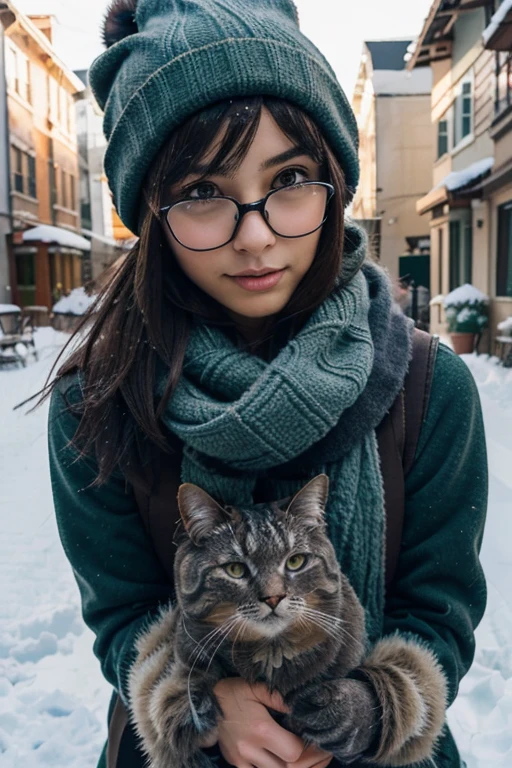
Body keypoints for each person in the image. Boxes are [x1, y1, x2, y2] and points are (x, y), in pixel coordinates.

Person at [46, 1, 488, 767]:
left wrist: (370, 710)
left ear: (335, 181)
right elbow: (120, 614)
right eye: (202, 192)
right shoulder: (97, 400)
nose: (256, 234)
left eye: (289, 179)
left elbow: (439, 614)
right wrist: (208, 710)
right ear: (150, 213)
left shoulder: (426, 386)